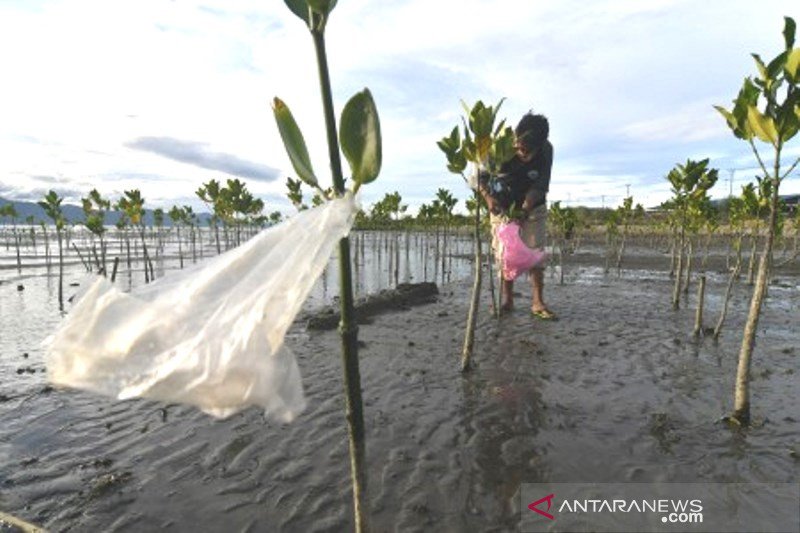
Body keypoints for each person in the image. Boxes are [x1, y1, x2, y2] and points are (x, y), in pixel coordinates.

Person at [478, 111, 555, 319]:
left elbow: (540, 186)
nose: (522, 154)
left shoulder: (546, 151)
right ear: (514, 137)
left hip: (533, 207)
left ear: (540, 145)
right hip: (500, 206)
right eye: (519, 148)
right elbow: (480, 177)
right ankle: (507, 300)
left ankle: (538, 302)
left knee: (535, 251)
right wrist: (488, 199)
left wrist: (525, 209)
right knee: (504, 254)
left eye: (528, 152)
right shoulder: (497, 147)